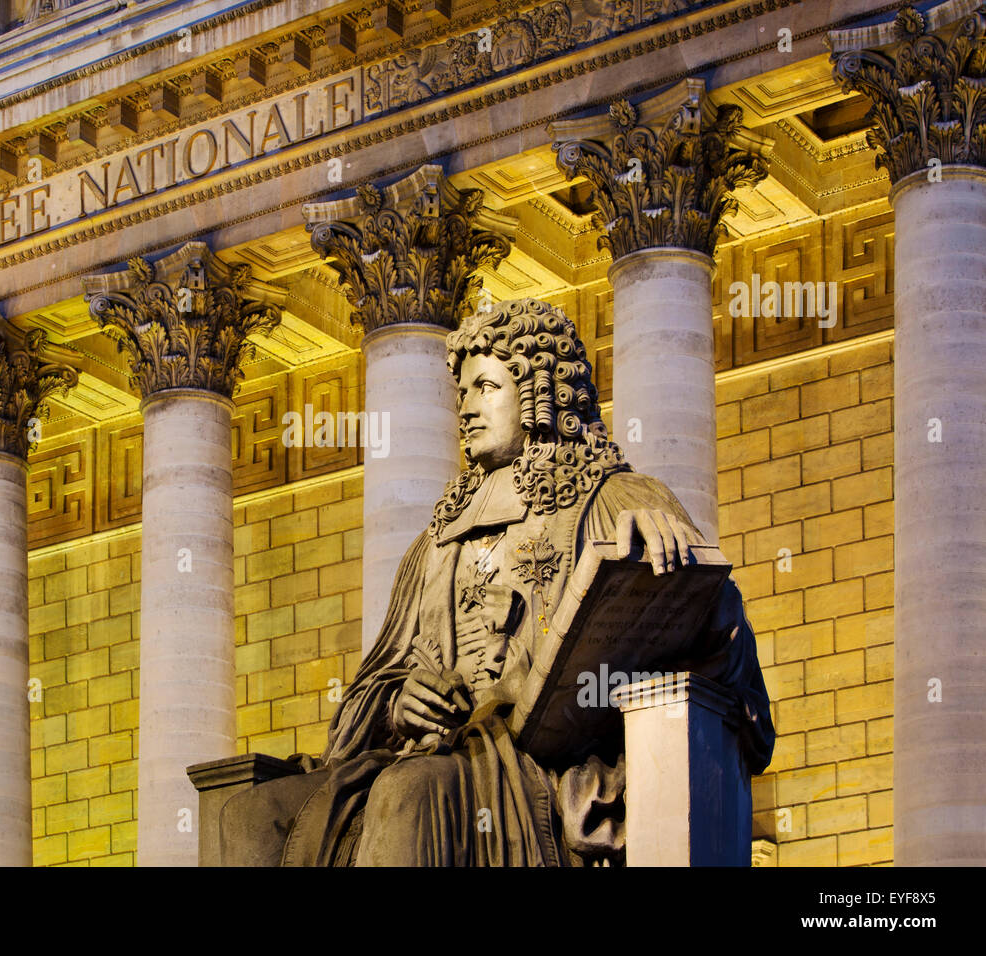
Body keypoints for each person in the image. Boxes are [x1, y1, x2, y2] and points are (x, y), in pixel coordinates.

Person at [220, 297, 775, 866]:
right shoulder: (438, 540)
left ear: (538, 391)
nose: (466, 408)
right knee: (249, 816)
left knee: (409, 794)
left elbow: (724, 646)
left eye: (486, 387)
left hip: (533, 766)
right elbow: (366, 693)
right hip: (430, 755)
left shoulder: (616, 500)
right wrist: (395, 704)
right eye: (462, 393)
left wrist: (670, 557)